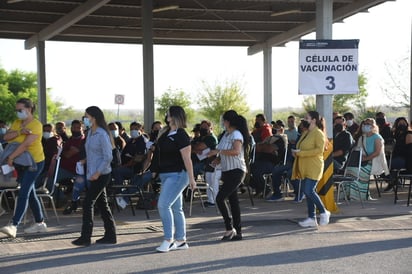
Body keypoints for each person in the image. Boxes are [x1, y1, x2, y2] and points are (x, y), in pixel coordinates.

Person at [151, 106, 196, 252]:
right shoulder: (165, 132)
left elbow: (187, 158)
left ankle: (168, 240)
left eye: (168, 113)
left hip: (178, 174)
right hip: (166, 174)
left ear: (174, 115)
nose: (166, 115)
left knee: (163, 205)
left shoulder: (181, 134)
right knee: (177, 208)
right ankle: (181, 241)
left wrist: (192, 179)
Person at [0, 98, 47, 238]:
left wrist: (11, 157)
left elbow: (25, 145)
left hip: (35, 163)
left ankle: (14, 225)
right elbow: (6, 137)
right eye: (17, 110)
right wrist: (20, 131)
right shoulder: (17, 123)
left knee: (24, 192)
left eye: (20, 110)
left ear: (29, 109)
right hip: (21, 163)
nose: (17, 113)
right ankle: (40, 223)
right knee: (30, 194)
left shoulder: (36, 125)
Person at [72, 106, 116, 246]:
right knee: (103, 205)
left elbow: (108, 157)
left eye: (86, 117)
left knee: (87, 203)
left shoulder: (102, 134)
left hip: (101, 174)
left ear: (94, 118)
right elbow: (93, 153)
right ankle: (110, 235)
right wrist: (84, 161)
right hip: (92, 173)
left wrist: (97, 172)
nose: (84, 119)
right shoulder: (90, 132)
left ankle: (85, 237)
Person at [208, 110, 250, 241]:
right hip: (227, 171)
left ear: (228, 121)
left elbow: (236, 151)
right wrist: (218, 160)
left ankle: (229, 227)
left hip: (237, 171)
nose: (222, 123)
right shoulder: (226, 134)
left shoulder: (236, 134)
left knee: (220, 198)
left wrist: (218, 151)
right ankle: (238, 231)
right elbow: (225, 152)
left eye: (224, 120)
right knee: (233, 201)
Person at [291, 111, 330, 228]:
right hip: (304, 167)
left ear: (313, 120)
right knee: (307, 193)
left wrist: (301, 153)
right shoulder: (306, 132)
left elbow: (319, 150)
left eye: (307, 118)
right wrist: (296, 152)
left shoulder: (318, 133)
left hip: (314, 166)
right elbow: (300, 147)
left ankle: (323, 211)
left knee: (309, 191)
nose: (304, 120)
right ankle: (311, 218)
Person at [351, 118, 385, 200]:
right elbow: (358, 150)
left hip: (374, 161)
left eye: (368, 124)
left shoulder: (377, 137)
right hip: (363, 161)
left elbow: (377, 152)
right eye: (365, 123)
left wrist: (365, 159)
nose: (366, 125)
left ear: (373, 126)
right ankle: (352, 195)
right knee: (351, 170)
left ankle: (361, 195)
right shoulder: (362, 137)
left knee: (360, 171)